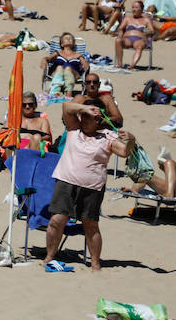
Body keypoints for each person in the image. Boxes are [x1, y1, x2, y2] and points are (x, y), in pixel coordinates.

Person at [43, 101, 134, 271]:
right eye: (82, 115)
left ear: (98, 119)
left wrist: (132, 140)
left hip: (92, 187)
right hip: (66, 182)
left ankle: (95, 263)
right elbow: (65, 107)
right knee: (57, 221)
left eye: (89, 117)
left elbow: (124, 152)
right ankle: (49, 257)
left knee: (91, 226)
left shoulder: (108, 136)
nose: (83, 119)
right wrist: (84, 109)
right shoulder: (73, 128)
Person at [113, 0, 157, 69]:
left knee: (139, 46)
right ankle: (120, 64)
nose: (134, 9)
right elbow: (120, 28)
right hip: (127, 39)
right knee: (118, 40)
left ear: (141, 9)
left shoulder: (146, 20)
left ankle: (132, 65)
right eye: (133, 7)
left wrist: (146, 33)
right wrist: (120, 34)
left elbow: (152, 31)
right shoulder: (127, 19)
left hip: (140, 39)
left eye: (136, 7)